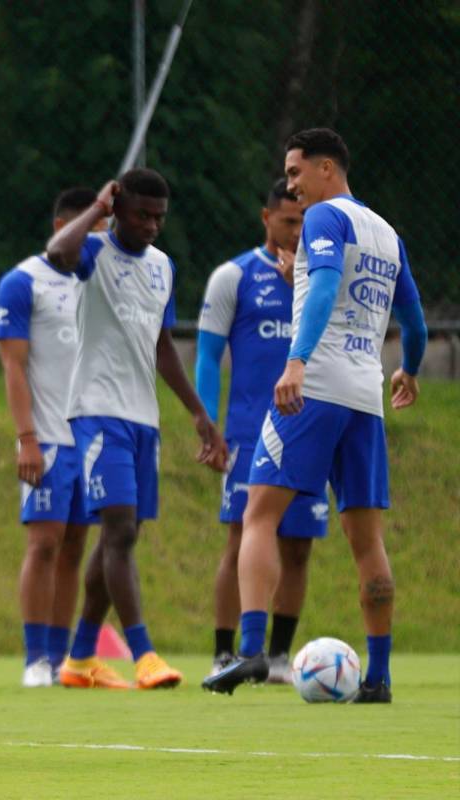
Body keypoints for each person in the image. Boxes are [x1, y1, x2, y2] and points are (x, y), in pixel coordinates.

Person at [202, 128, 427, 702]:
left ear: (328, 169)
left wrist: (296, 362)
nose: (291, 185)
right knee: (366, 540)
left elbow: (326, 287)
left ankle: (252, 653)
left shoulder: (326, 218)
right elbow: (416, 322)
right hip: (364, 397)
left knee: (258, 513)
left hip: (317, 388)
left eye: (297, 172)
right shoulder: (387, 233)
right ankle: (378, 678)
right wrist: (410, 369)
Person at [45, 168, 227, 690]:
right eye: (142, 214)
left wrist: (197, 413)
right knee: (120, 529)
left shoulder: (163, 267)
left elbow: (162, 345)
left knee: (119, 537)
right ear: (118, 209)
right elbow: (58, 252)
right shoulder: (94, 252)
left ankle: (80, 660)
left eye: (159, 218)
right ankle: (144, 654)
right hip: (96, 410)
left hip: (143, 416)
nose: (151, 225)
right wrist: (96, 209)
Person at [197, 179, 328, 683]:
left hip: (312, 428)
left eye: (304, 223)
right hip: (251, 433)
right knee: (242, 537)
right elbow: (208, 356)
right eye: (289, 222)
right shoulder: (234, 277)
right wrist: (210, 426)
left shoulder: (323, 277)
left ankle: (277, 658)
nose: (296, 232)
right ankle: (224, 651)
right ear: (266, 217)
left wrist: (304, 285)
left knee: (299, 545)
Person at [0, 187, 106, 688]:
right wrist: (27, 438)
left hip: (93, 436)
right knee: (44, 542)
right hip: (49, 438)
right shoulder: (24, 283)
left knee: (76, 546)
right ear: (66, 226)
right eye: (94, 231)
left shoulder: (100, 283)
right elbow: (13, 366)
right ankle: (35, 657)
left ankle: (63, 660)